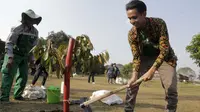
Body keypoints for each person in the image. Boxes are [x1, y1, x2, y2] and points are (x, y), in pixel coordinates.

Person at [125, 1, 178, 112]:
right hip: (144, 58)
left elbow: (164, 49)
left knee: (171, 89)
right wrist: (135, 75)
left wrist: (152, 70)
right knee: (131, 86)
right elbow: (136, 56)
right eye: (129, 18)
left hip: (165, 58)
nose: (131, 21)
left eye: (134, 17)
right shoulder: (131, 34)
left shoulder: (159, 23)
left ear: (144, 14)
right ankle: (128, 110)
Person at [0, 9, 42, 102]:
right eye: (29, 19)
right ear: (25, 19)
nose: (31, 21)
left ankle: (18, 95)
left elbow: (32, 47)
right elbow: (9, 43)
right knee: (8, 74)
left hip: (25, 56)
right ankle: (4, 97)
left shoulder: (35, 32)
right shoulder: (18, 29)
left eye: (33, 20)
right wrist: (10, 57)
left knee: (23, 76)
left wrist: (32, 59)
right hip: (13, 54)